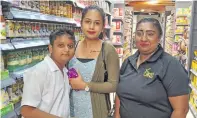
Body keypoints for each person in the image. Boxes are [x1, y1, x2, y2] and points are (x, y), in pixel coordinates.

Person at [115, 18, 189, 118]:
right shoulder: (128, 62)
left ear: (159, 38)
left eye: (150, 34)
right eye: (139, 33)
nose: (143, 38)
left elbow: (181, 110)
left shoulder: (171, 65)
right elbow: (120, 96)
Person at [68, 5, 120, 118]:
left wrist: (84, 85)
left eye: (97, 23)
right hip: (72, 110)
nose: (91, 27)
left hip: (97, 112)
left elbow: (114, 85)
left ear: (102, 27)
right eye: (87, 22)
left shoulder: (108, 50)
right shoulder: (73, 47)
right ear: (81, 23)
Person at [21, 28, 76, 118]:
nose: (66, 49)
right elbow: (26, 110)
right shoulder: (38, 72)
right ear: (50, 48)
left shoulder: (67, 71)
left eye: (70, 46)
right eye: (61, 45)